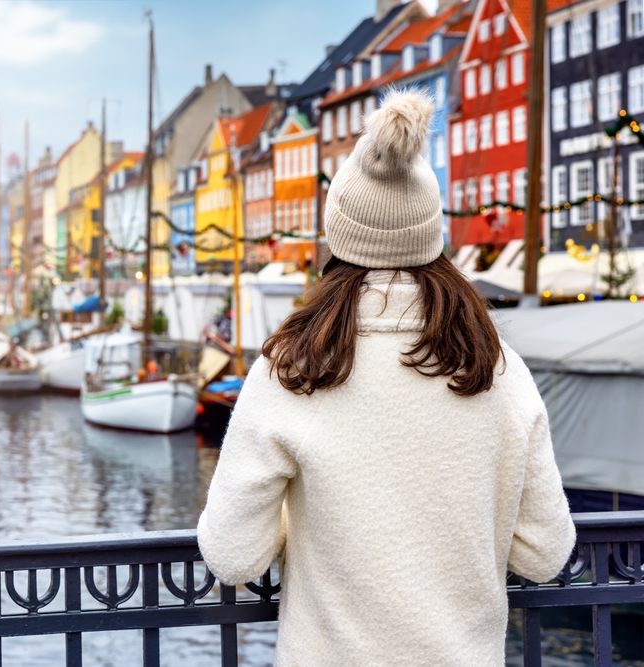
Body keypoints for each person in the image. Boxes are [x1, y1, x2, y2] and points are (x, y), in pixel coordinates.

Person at [197, 89, 574, 667]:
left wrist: (308, 516)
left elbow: (233, 557)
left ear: (337, 237)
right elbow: (544, 554)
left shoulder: (291, 370)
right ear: (434, 233)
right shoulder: (497, 368)